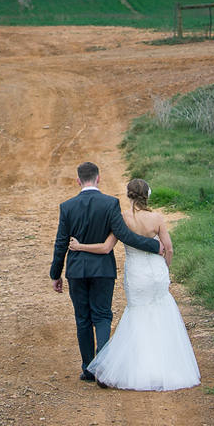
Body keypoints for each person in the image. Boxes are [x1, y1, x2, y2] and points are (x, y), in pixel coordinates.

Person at [70, 178, 200, 391]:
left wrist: (79, 246)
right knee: (161, 313)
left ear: (129, 195)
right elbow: (169, 249)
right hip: (156, 273)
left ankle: (140, 369)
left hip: (137, 275)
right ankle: (166, 367)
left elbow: (105, 248)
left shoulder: (123, 218)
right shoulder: (157, 218)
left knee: (138, 315)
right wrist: (165, 268)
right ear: (147, 195)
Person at [50, 162, 163, 382]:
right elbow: (126, 236)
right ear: (98, 178)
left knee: (83, 319)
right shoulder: (110, 203)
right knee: (102, 316)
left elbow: (60, 243)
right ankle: (103, 368)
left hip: (77, 271)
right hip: (103, 270)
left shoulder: (67, 206)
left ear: (78, 180)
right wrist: (154, 246)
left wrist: (56, 274)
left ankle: (88, 369)